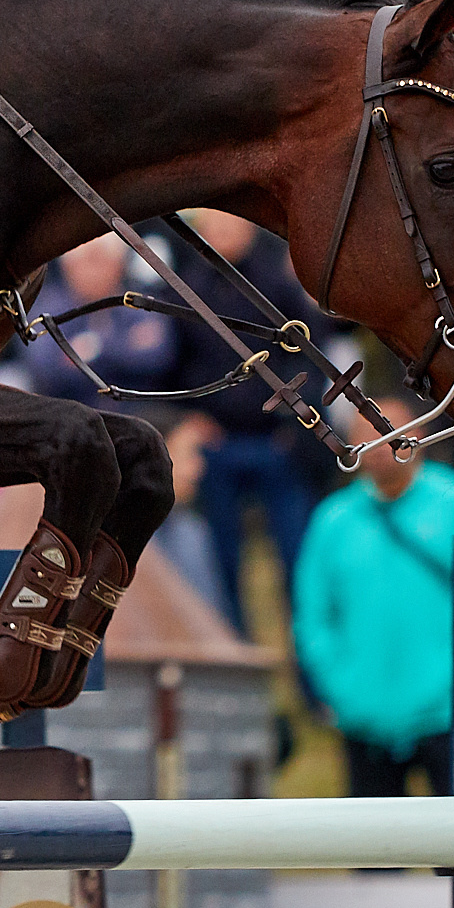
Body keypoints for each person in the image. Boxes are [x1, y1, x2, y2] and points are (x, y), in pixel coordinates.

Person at [290, 396, 454, 800]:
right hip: (364, 716)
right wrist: (338, 687)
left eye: (386, 433)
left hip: (449, 711)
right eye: (363, 436)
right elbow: (313, 614)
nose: (376, 447)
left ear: (415, 437)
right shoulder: (333, 520)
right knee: (375, 855)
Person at [165, 210, 324, 637]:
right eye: (212, 225)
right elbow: (175, 364)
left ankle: (309, 680)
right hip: (217, 443)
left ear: (250, 225)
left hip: (277, 441)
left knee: (298, 559)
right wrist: (190, 415)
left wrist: (296, 419)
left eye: (230, 223)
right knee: (221, 564)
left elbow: (312, 354)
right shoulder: (187, 289)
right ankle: (234, 660)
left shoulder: (278, 285)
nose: (222, 232)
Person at [12, 232, 179, 412]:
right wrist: (126, 344)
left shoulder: (141, 303)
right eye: (86, 261)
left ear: (120, 264)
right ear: (67, 266)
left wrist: (93, 348)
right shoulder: (45, 309)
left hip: (139, 411)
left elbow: (160, 357)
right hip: (67, 412)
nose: (93, 271)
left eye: (102, 260)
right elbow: (47, 370)